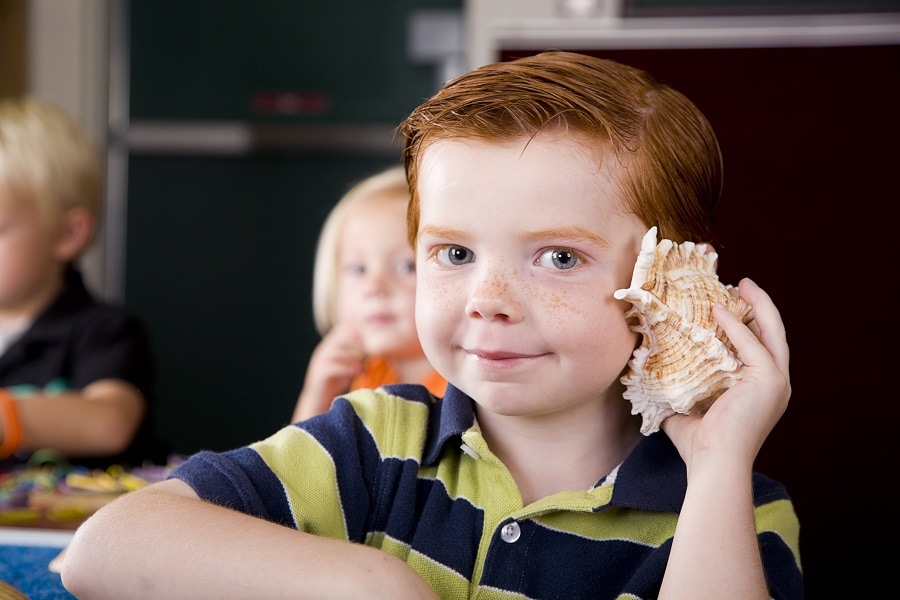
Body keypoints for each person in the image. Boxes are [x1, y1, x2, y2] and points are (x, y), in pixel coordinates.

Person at [60, 51, 801, 599]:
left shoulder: (730, 505)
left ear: (668, 282)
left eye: (557, 257)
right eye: (452, 252)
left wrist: (717, 462)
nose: (489, 297)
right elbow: (100, 554)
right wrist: (377, 586)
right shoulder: (372, 444)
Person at [0, 96, 158, 470]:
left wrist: (8, 418)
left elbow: (110, 423)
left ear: (68, 233)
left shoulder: (105, 331)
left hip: (72, 524)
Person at [291, 166, 446, 422]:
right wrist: (317, 396)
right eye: (358, 269)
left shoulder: (464, 389)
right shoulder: (371, 375)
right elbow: (296, 462)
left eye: (406, 266)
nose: (374, 287)